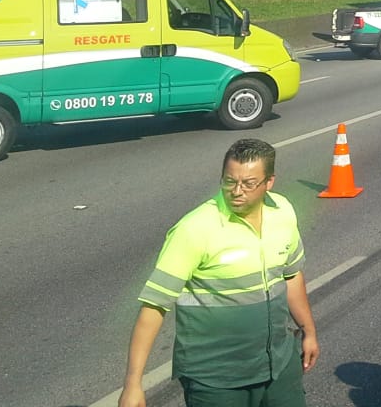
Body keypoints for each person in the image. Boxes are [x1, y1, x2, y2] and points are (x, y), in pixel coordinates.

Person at [118, 139, 318, 407]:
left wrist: (309, 330)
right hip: (216, 381)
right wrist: (133, 385)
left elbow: (292, 276)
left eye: (249, 184)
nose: (237, 191)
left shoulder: (283, 213)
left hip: (278, 367)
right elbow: (154, 307)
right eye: (229, 181)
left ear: (269, 182)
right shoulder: (194, 229)